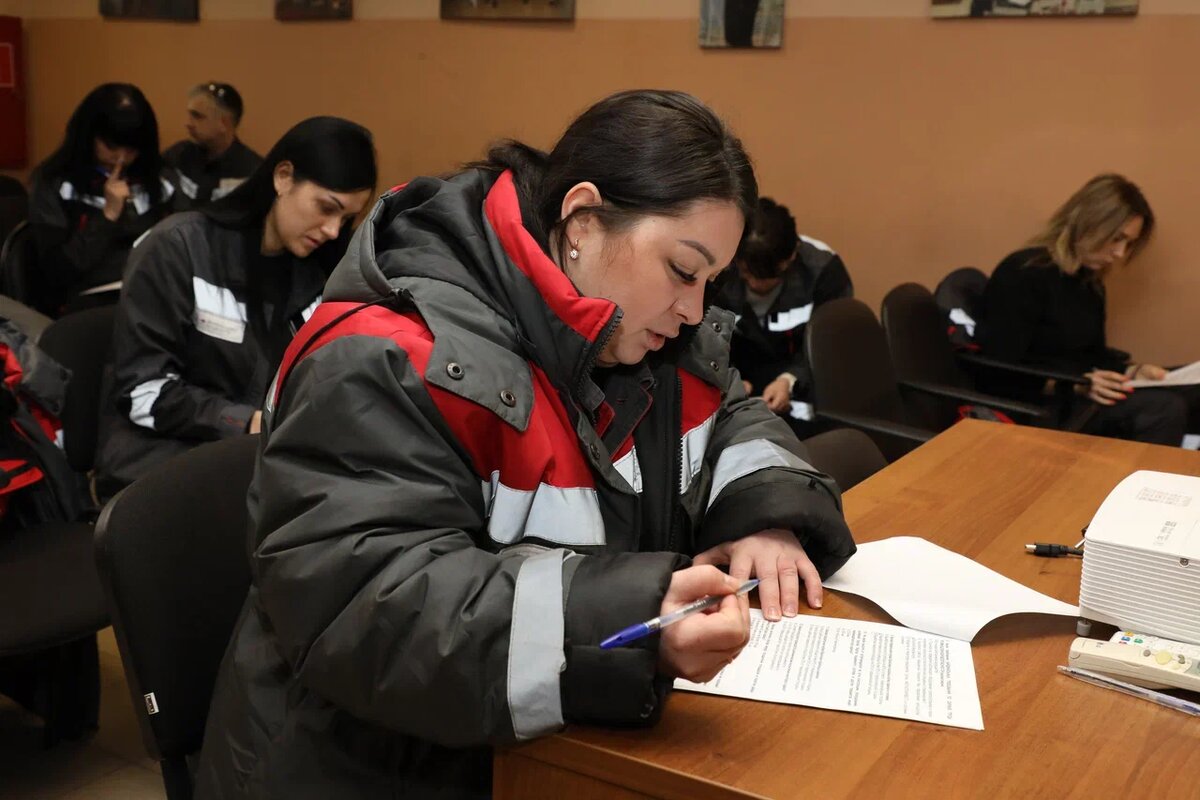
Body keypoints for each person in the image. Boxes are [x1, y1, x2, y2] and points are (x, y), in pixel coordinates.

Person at [193, 90, 856, 799]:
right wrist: (629, 622)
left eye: (711, 282)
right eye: (682, 270)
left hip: (528, 751)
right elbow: (369, 608)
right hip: (368, 764)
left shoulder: (647, 338)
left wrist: (766, 517)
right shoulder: (388, 356)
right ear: (581, 220)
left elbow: (731, 417)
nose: (695, 308)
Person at [93, 116, 376, 500]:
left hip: (256, 460)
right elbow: (142, 392)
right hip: (160, 461)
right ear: (283, 177)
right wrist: (249, 423)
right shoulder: (179, 249)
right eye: (326, 207)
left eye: (346, 219)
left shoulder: (316, 274)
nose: (332, 230)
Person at [977, 173, 1199, 445]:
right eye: (1117, 238)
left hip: (1077, 393)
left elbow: (1091, 356)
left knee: (1193, 390)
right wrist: (1077, 384)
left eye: (1128, 244)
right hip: (1041, 404)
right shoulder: (1023, 272)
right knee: (1162, 409)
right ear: (1088, 222)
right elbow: (997, 369)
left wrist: (1133, 371)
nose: (1120, 253)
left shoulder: (1089, 283)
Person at [27, 83, 172, 315]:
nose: (121, 159)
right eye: (112, 146)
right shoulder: (53, 183)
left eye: (132, 149)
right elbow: (56, 273)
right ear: (88, 135)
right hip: (87, 303)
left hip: (149, 293)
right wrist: (108, 216)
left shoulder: (159, 178)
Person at [712, 197, 852, 436]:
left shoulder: (823, 270)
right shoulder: (719, 265)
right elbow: (702, 336)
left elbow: (832, 346)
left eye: (768, 277)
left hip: (804, 379)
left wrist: (789, 381)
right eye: (748, 274)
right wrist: (726, 378)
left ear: (791, 256)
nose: (756, 284)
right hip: (738, 381)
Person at [163, 82, 262, 211]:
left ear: (224, 123)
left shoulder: (252, 172)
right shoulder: (179, 154)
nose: (188, 123)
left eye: (197, 116)